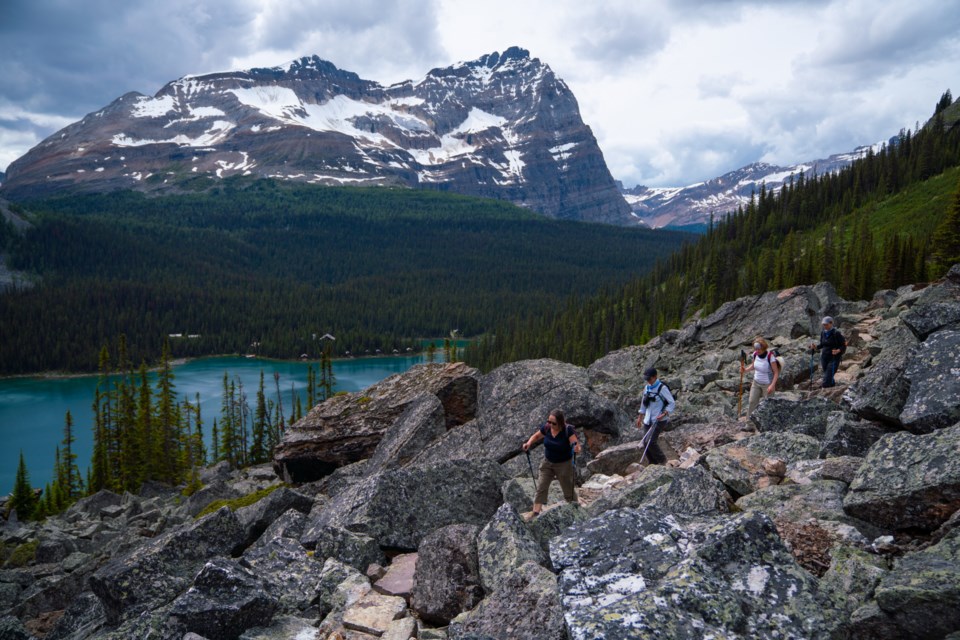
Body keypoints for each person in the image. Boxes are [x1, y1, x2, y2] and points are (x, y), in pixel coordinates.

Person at [522, 409, 581, 517]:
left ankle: (576, 508)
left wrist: (577, 448)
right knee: (541, 486)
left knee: (567, 487)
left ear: (560, 423)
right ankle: (535, 512)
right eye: (549, 421)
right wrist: (528, 443)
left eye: (553, 423)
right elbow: (536, 436)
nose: (550, 424)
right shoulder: (547, 428)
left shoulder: (568, 430)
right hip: (548, 462)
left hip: (563, 464)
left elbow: (576, 445)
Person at [636, 367, 675, 465]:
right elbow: (644, 403)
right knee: (645, 442)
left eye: (650, 379)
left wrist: (665, 413)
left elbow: (671, 402)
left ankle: (663, 461)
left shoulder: (662, 388)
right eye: (647, 379)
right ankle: (652, 463)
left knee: (651, 441)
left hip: (659, 419)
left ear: (655, 377)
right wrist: (640, 416)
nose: (648, 381)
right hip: (648, 419)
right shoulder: (647, 388)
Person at [740, 337, 780, 419]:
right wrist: (745, 370)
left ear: (763, 348)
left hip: (767, 384)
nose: (757, 351)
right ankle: (749, 424)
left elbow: (776, 372)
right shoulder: (755, 354)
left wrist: (772, 385)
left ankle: (767, 425)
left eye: (759, 349)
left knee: (768, 404)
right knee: (752, 402)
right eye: (755, 349)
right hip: (756, 382)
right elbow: (754, 365)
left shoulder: (770, 357)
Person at [811, 316, 846, 388]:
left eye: (826, 324)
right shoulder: (823, 333)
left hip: (834, 358)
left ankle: (824, 392)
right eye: (823, 325)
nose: (825, 326)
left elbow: (844, 345)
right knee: (828, 375)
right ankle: (832, 388)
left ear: (831, 323)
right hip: (824, 357)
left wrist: (838, 350)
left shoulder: (836, 333)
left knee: (827, 378)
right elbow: (822, 344)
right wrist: (815, 347)